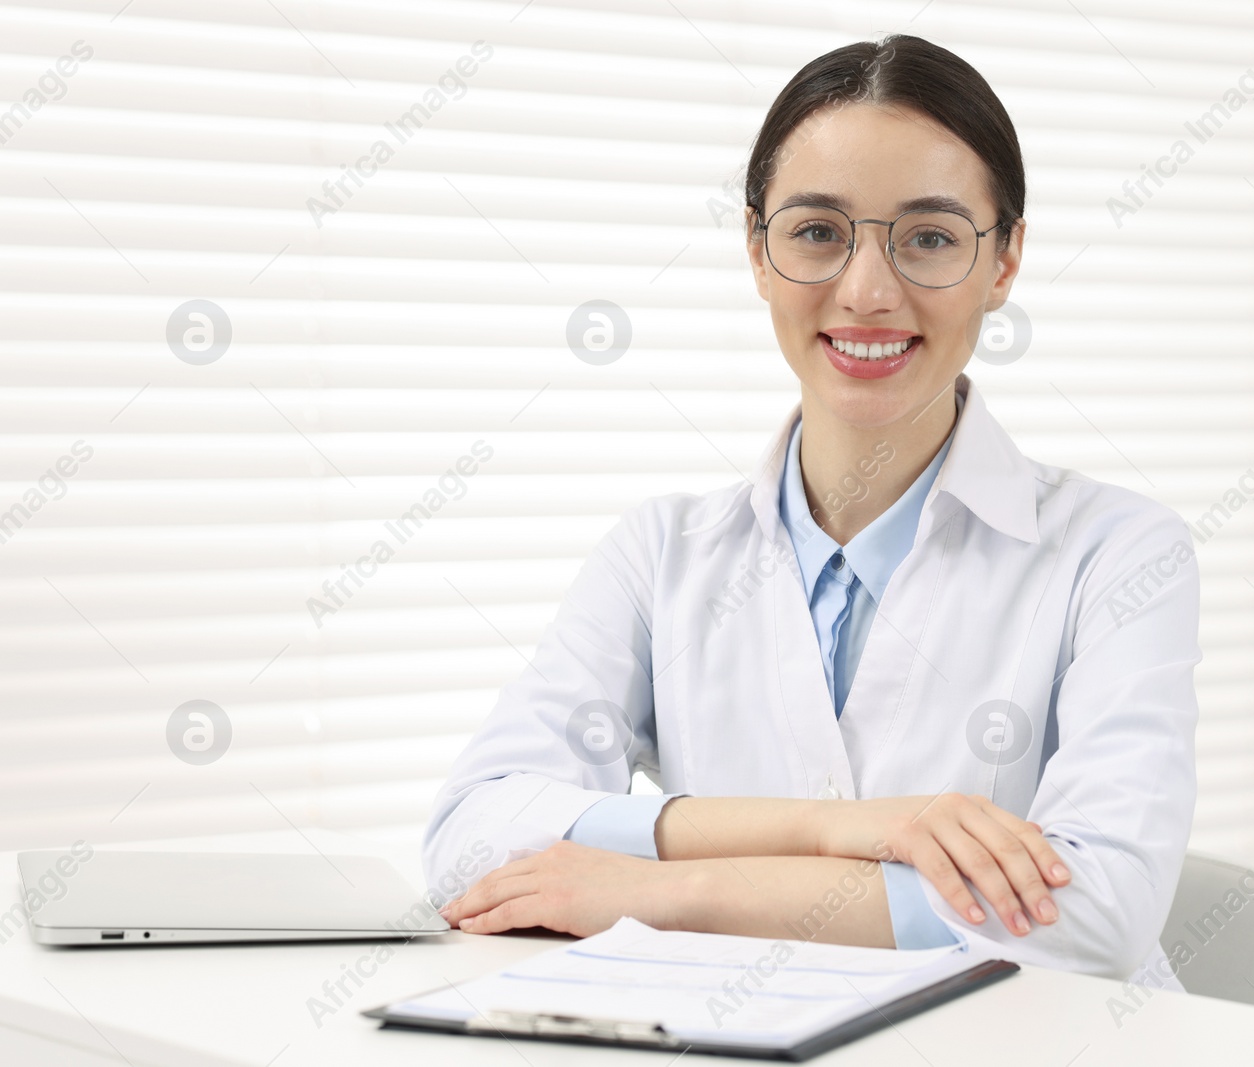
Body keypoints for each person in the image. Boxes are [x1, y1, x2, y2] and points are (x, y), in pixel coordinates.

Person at [423, 33, 1200, 986]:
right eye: (818, 231)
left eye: (929, 237)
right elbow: (470, 836)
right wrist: (844, 828)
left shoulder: (1116, 554)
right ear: (758, 251)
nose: (868, 292)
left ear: (1004, 263)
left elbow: (1094, 912)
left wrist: (659, 891)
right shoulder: (660, 555)